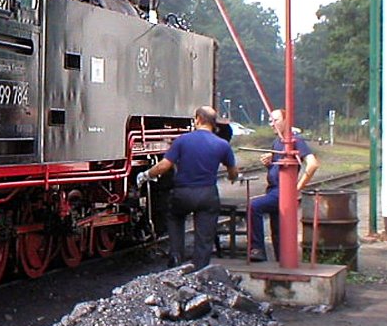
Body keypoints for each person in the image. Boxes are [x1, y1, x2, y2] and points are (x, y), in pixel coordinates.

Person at [137, 105, 239, 270]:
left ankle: (176, 258)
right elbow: (233, 172)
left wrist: (146, 175)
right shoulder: (222, 145)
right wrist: (233, 177)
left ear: (198, 119)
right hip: (207, 194)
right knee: (204, 237)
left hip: (182, 193)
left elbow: (164, 166)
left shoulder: (182, 140)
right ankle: (200, 269)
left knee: (174, 217)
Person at [248, 108, 320, 261]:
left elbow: (312, 164)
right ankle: (281, 260)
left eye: (275, 120)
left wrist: (297, 188)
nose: (271, 124)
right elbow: (278, 166)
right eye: (270, 121)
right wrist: (270, 162)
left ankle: (257, 249)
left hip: (282, 191)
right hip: (273, 190)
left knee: (254, 206)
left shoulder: (296, 140)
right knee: (277, 231)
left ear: (287, 121)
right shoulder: (277, 142)